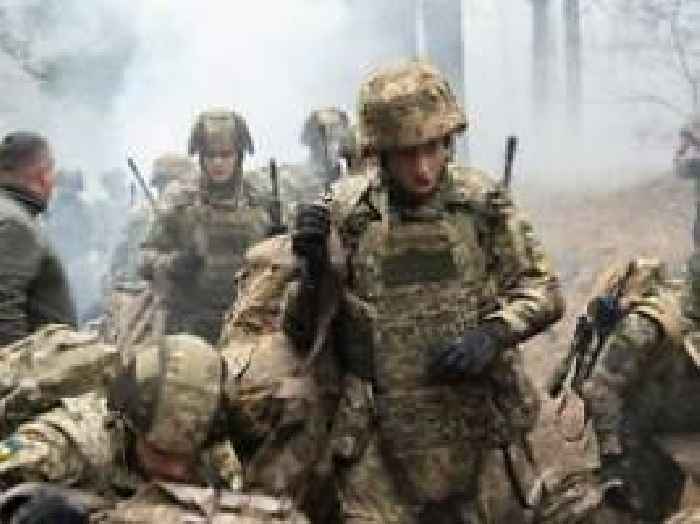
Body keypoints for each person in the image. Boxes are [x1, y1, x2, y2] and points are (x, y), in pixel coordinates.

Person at [287, 59, 564, 523]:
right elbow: (300, 332)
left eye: (432, 149)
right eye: (406, 154)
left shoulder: (480, 204)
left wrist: (492, 334)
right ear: (380, 153)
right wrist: (313, 271)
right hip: (378, 430)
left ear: (448, 141)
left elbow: (543, 289)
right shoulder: (348, 215)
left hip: (478, 419)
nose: (422, 169)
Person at [0, 334, 307, 523]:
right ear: (128, 426)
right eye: (161, 452)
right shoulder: (64, 443)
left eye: (186, 455)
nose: (176, 469)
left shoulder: (216, 461)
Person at [139, 109, 269, 343]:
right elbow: (144, 260)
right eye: (210, 155)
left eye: (226, 154)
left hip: (249, 323)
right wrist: (173, 264)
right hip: (190, 325)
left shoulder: (260, 199)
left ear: (239, 155)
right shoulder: (180, 200)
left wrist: (279, 245)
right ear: (201, 157)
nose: (218, 163)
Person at [0, 131, 76, 347]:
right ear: (42, 174)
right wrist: (19, 366)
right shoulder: (15, 223)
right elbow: (4, 310)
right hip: (34, 363)